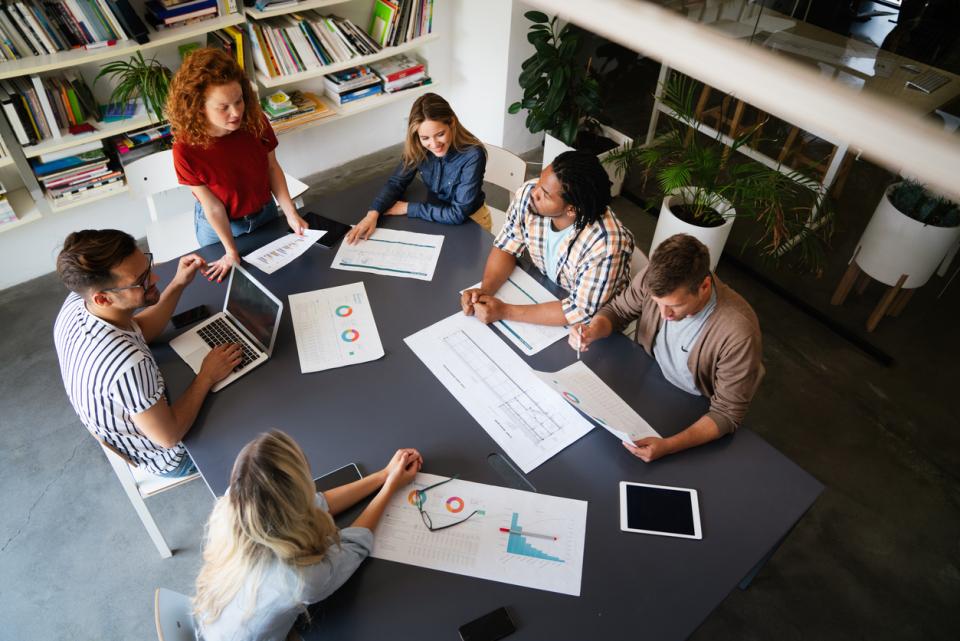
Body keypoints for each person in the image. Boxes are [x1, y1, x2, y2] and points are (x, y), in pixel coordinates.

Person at [193, 431, 422, 641]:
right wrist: (390, 488)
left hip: (209, 621)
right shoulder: (302, 578)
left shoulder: (233, 502)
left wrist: (383, 475)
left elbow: (318, 503)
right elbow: (354, 545)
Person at [53, 230, 241, 477]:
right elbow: (170, 436)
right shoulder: (126, 364)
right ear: (103, 299)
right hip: (170, 456)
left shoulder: (78, 303)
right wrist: (206, 375)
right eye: (140, 279)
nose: (154, 277)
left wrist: (178, 284)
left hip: (140, 416)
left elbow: (139, 330)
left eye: (147, 265)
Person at [572, 233, 763, 463]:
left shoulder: (738, 332)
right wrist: (593, 330)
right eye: (657, 303)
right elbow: (618, 311)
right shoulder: (653, 279)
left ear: (704, 286)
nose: (664, 314)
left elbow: (726, 414)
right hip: (643, 377)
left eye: (674, 305)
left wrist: (668, 446)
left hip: (692, 409)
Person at [168, 48, 308, 283]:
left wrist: (291, 213)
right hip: (220, 227)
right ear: (198, 106)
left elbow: (272, 168)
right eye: (223, 107)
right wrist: (231, 251)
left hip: (264, 210)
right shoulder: (185, 149)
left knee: (282, 279)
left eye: (239, 100)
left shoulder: (255, 121)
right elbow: (212, 207)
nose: (236, 113)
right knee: (235, 284)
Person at [460, 150, 634, 327]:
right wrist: (484, 291)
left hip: (593, 327)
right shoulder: (531, 195)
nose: (534, 192)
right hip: (550, 292)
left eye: (545, 194)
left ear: (572, 210)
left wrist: (504, 311)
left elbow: (579, 311)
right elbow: (506, 246)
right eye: (540, 180)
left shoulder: (606, 245)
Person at [346, 92, 490, 243]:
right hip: (435, 213)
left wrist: (407, 208)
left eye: (440, 134)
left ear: (452, 123)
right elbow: (396, 182)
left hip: (471, 222)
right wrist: (372, 215)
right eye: (425, 138)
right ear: (417, 135)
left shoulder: (473, 155)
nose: (434, 144)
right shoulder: (417, 146)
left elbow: (457, 214)